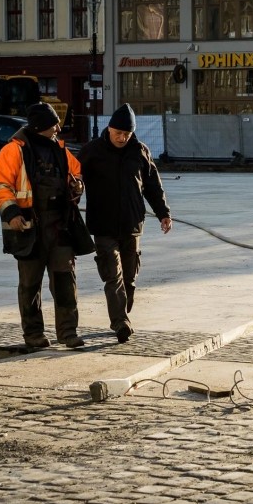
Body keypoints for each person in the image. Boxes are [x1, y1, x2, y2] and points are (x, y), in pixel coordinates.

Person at [0, 102, 86, 348]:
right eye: (54, 124)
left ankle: (68, 333)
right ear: (40, 126)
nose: (58, 128)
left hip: (59, 227)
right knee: (30, 285)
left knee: (65, 281)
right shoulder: (14, 151)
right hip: (28, 229)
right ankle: (33, 335)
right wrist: (11, 212)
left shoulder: (60, 150)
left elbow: (77, 173)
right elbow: (0, 185)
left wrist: (77, 186)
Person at [77, 103, 172, 343]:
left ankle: (123, 310)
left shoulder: (140, 151)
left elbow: (153, 186)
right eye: (118, 132)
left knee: (129, 277)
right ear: (109, 129)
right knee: (113, 275)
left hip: (132, 224)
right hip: (103, 225)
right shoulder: (92, 151)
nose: (122, 138)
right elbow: (75, 182)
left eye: (126, 134)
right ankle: (120, 322)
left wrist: (163, 213)